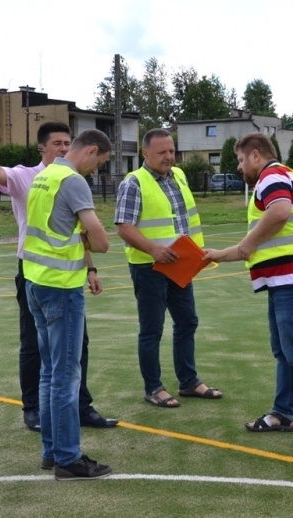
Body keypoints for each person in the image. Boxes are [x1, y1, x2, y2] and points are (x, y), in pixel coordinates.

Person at [0, 122, 117, 430]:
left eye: (66, 142)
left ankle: (79, 406)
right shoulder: (31, 176)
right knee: (38, 346)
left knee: (74, 347)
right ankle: (35, 410)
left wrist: (90, 268)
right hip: (38, 273)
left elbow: (72, 231)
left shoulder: (58, 178)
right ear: (42, 148)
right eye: (56, 143)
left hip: (59, 272)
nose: (62, 147)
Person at [204, 132, 293, 451]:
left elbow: (279, 214)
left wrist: (247, 244)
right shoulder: (277, 176)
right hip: (286, 279)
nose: (240, 168)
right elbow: (252, 244)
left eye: (240, 160)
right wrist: (216, 255)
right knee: (285, 350)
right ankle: (284, 413)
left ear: (256, 155)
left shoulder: (272, 175)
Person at [23, 129, 114, 480]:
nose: (95, 170)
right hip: (62, 287)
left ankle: (52, 451)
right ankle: (67, 458)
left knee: (49, 372)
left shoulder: (44, 175)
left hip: (37, 282)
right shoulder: (72, 181)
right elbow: (103, 241)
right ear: (91, 151)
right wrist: (87, 236)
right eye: (99, 163)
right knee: (65, 376)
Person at [115, 128, 223, 408]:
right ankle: (154, 388)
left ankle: (188, 381)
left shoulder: (179, 176)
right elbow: (123, 227)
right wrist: (154, 249)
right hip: (150, 267)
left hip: (182, 266)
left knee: (188, 321)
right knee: (152, 329)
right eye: (162, 152)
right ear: (145, 153)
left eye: (171, 151)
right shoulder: (134, 182)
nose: (169, 156)